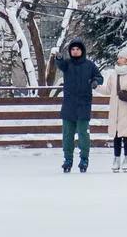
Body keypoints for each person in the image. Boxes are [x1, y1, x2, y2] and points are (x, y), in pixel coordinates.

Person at [51, 38, 102, 173]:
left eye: (77, 49)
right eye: (73, 49)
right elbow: (59, 64)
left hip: (84, 104)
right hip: (69, 104)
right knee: (67, 134)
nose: (75, 51)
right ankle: (68, 158)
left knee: (83, 133)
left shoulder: (89, 65)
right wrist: (59, 58)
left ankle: (84, 158)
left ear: (82, 50)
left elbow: (99, 76)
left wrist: (95, 81)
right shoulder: (67, 64)